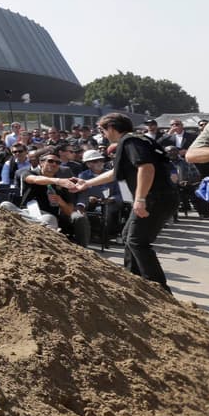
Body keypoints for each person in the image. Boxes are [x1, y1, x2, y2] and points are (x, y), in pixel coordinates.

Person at [71, 112, 177, 292]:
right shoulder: (137, 140)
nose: (102, 134)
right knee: (128, 235)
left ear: (111, 127)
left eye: (102, 130)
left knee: (137, 241)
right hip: (160, 197)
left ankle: (160, 290)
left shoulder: (130, 142)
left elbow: (146, 168)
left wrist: (140, 199)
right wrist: (87, 183)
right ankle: (133, 280)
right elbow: (115, 173)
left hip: (155, 198)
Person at [4, 154, 89, 245]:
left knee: (48, 219)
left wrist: (60, 201)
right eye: (50, 161)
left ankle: (37, 225)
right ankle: (38, 224)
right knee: (5, 205)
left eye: (58, 162)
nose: (54, 164)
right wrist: (57, 181)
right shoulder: (28, 172)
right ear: (41, 163)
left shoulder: (63, 183)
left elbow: (69, 211)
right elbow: (34, 179)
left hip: (46, 215)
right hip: (25, 212)